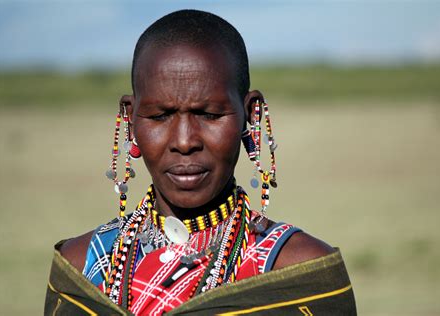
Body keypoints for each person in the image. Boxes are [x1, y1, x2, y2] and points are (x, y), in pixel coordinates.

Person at [44, 9, 356, 315]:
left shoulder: (298, 273)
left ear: (250, 114)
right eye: (160, 116)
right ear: (130, 119)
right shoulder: (83, 266)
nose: (184, 141)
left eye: (209, 114)